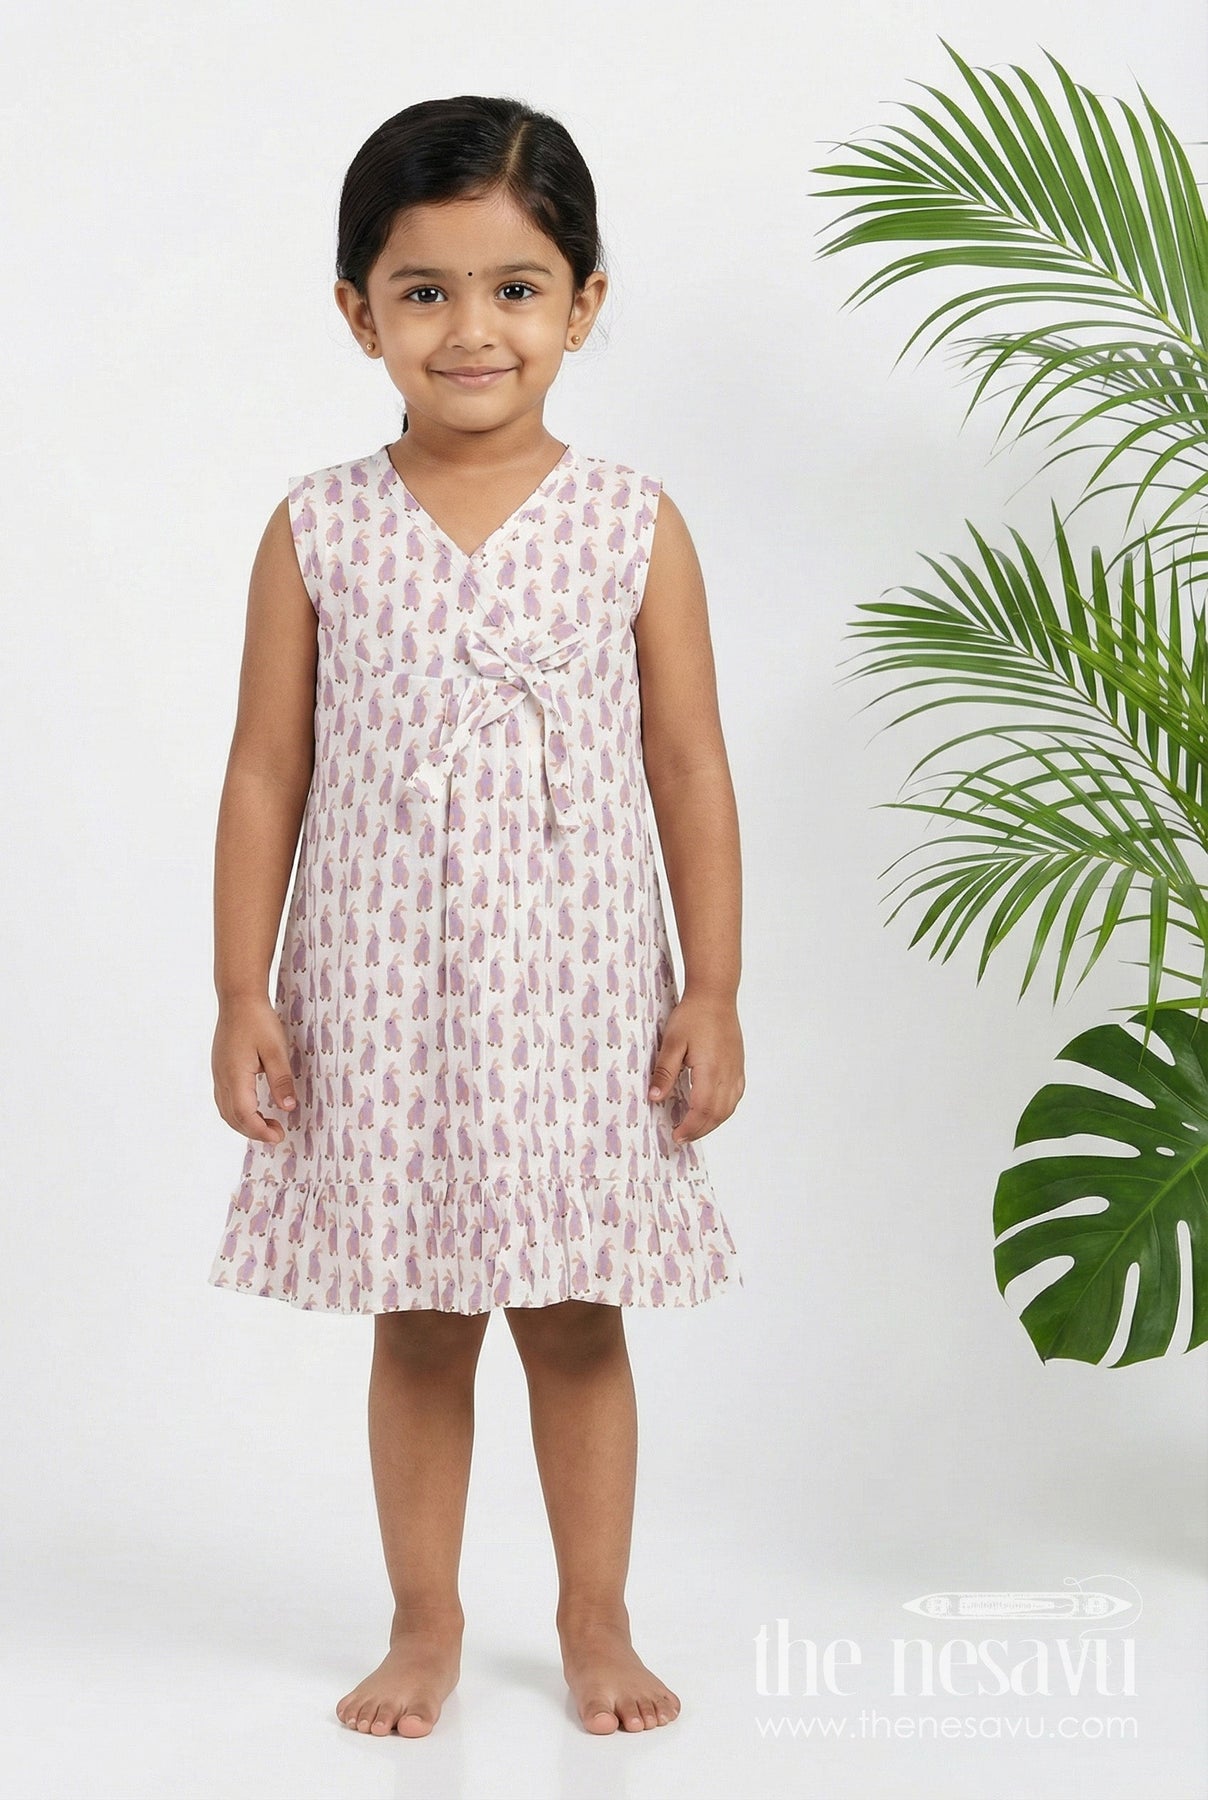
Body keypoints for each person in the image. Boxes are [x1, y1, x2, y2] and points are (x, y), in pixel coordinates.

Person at [206, 94, 746, 1740]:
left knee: (576, 1317)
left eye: (516, 288)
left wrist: (713, 986)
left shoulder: (634, 523)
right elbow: (265, 769)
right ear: (357, 310)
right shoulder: (316, 528)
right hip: (387, 986)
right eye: (424, 290)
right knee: (424, 1317)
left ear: (583, 304)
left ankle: (596, 1616)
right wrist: (243, 990)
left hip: (580, 991)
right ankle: (423, 1619)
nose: (471, 330)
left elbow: (688, 763)